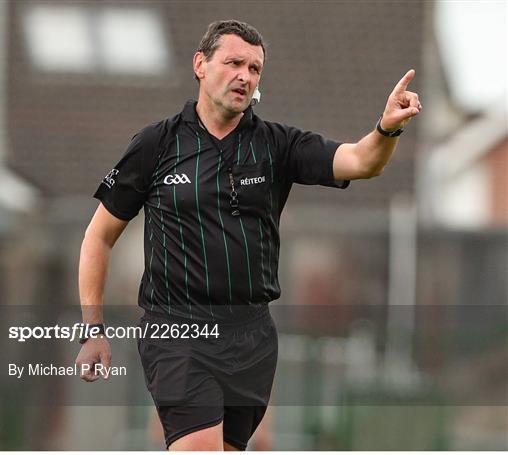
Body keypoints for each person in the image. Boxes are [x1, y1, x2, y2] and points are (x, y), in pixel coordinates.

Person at [75, 20, 421, 451]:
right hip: (178, 331)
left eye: (255, 68)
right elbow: (98, 237)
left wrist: (387, 128)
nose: (245, 75)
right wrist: (92, 328)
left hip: (252, 337)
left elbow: (361, 161)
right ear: (200, 65)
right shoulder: (155, 145)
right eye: (234, 62)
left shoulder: (277, 145)